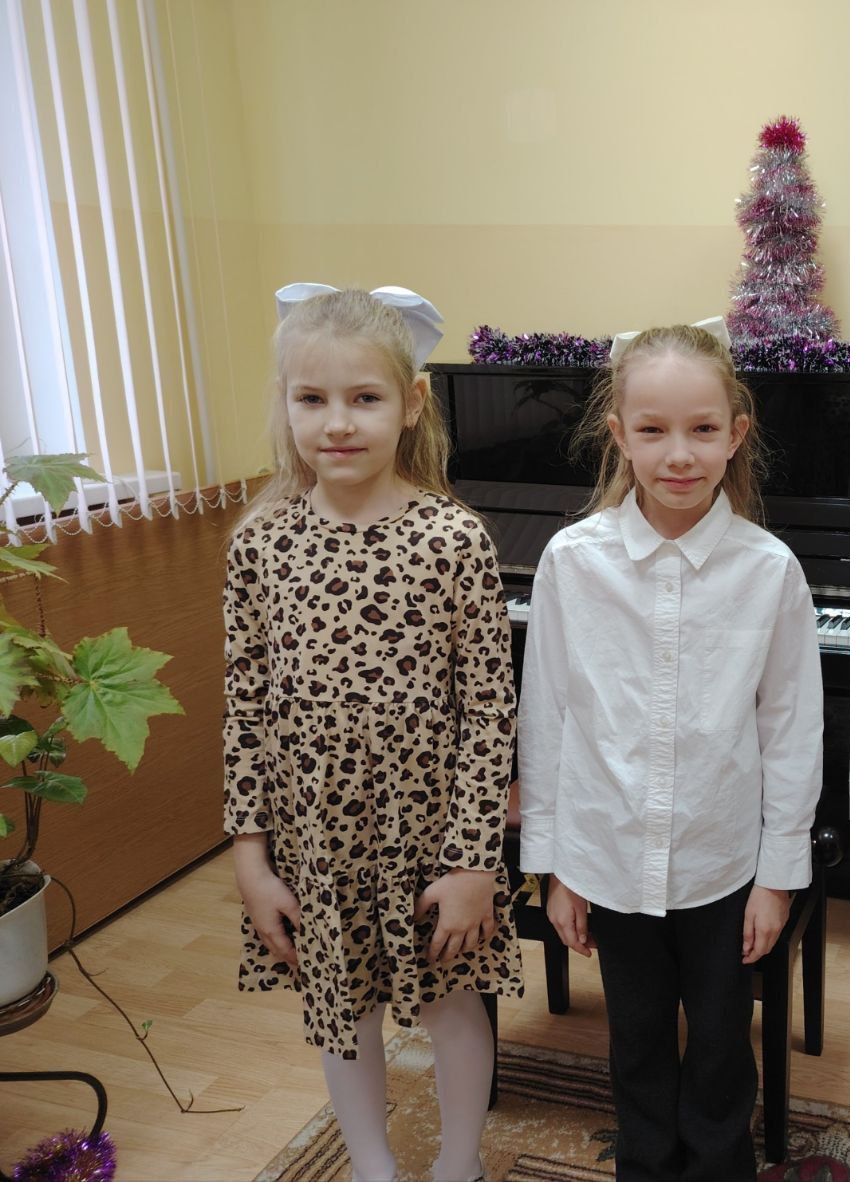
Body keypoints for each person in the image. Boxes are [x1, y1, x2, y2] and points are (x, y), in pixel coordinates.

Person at [223, 284, 522, 1182]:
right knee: (341, 1008)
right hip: (317, 836)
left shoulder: (454, 539)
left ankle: (459, 1164)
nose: (338, 423)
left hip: (434, 831)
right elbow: (244, 709)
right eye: (312, 398)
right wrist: (250, 857)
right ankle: (372, 1167)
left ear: (411, 403)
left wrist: (473, 861)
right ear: (285, 405)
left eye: (364, 397)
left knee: (452, 1002)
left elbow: (490, 713)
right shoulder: (260, 544)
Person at [517, 320, 824, 1181]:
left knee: (722, 1047)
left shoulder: (770, 571)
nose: (678, 454)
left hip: (721, 868)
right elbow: (547, 719)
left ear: (736, 434)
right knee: (638, 1041)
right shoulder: (572, 563)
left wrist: (778, 877)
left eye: (701, 429)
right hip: (610, 859)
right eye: (652, 430)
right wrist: (556, 867)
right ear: (619, 436)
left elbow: (792, 732)